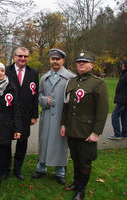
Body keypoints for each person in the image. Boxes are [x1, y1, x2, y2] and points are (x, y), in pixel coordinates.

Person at [61, 51, 109, 200]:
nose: (81, 64)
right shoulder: (72, 82)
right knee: (75, 157)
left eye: (85, 62)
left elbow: (102, 111)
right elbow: (66, 106)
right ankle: (76, 183)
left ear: (91, 65)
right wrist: (63, 124)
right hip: (72, 127)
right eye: (79, 62)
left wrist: (96, 133)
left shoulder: (98, 83)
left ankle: (81, 190)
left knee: (85, 160)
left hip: (86, 131)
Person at [32, 49, 75, 185]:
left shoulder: (70, 78)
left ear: (63, 60)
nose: (55, 61)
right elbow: (38, 96)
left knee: (60, 144)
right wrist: (45, 101)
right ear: (50, 60)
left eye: (58, 59)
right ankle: (41, 168)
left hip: (62, 118)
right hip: (47, 116)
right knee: (43, 142)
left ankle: (60, 172)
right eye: (53, 59)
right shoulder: (44, 77)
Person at [5, 47, 39, 180]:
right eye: (20, 56)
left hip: (25, 114)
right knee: (6, 142)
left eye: (25, 56)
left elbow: (35, 95)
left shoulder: (34, 73)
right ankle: (6, 168)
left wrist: (34, 115)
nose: (23, 59)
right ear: (14, 56)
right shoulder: (6, 71)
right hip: (8, 113)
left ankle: (17, 169)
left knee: (22, 142)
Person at [108, 59, 127, 140]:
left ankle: (117, 134)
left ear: (124, 65)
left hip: (124, 99)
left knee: (115, 115)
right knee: (124, 116)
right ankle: (124, 134)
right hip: (125, 98)